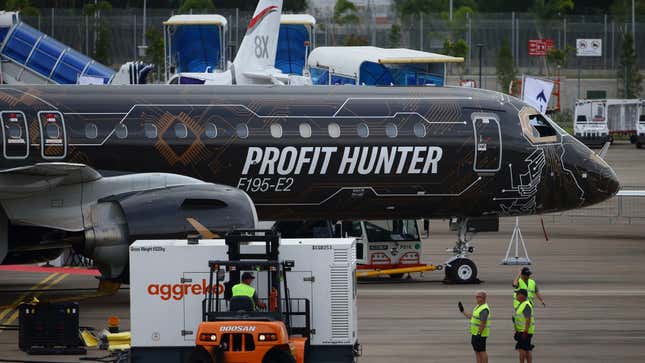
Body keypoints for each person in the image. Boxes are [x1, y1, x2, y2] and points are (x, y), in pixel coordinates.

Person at [459, 290, 490, 363]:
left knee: (482, 351)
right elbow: (472, 317)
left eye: (479, 297)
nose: (477, 298)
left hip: (480, 335)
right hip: (475, 333)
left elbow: (483, 323)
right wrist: (463, 311)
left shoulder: (484, 309)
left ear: (484, 298)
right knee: (477, 352)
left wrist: (479, 334)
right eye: (476, 297)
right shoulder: (478, 307)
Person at [513, 289, 535, 363]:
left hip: (525, 331)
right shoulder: (522, 304)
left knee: (522, 349)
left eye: (518, 294)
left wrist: (525, 331)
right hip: (522, 330)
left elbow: (528, 319)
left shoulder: (526, 305)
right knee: (527, 349)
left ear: (522, 295)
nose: (516, 296)